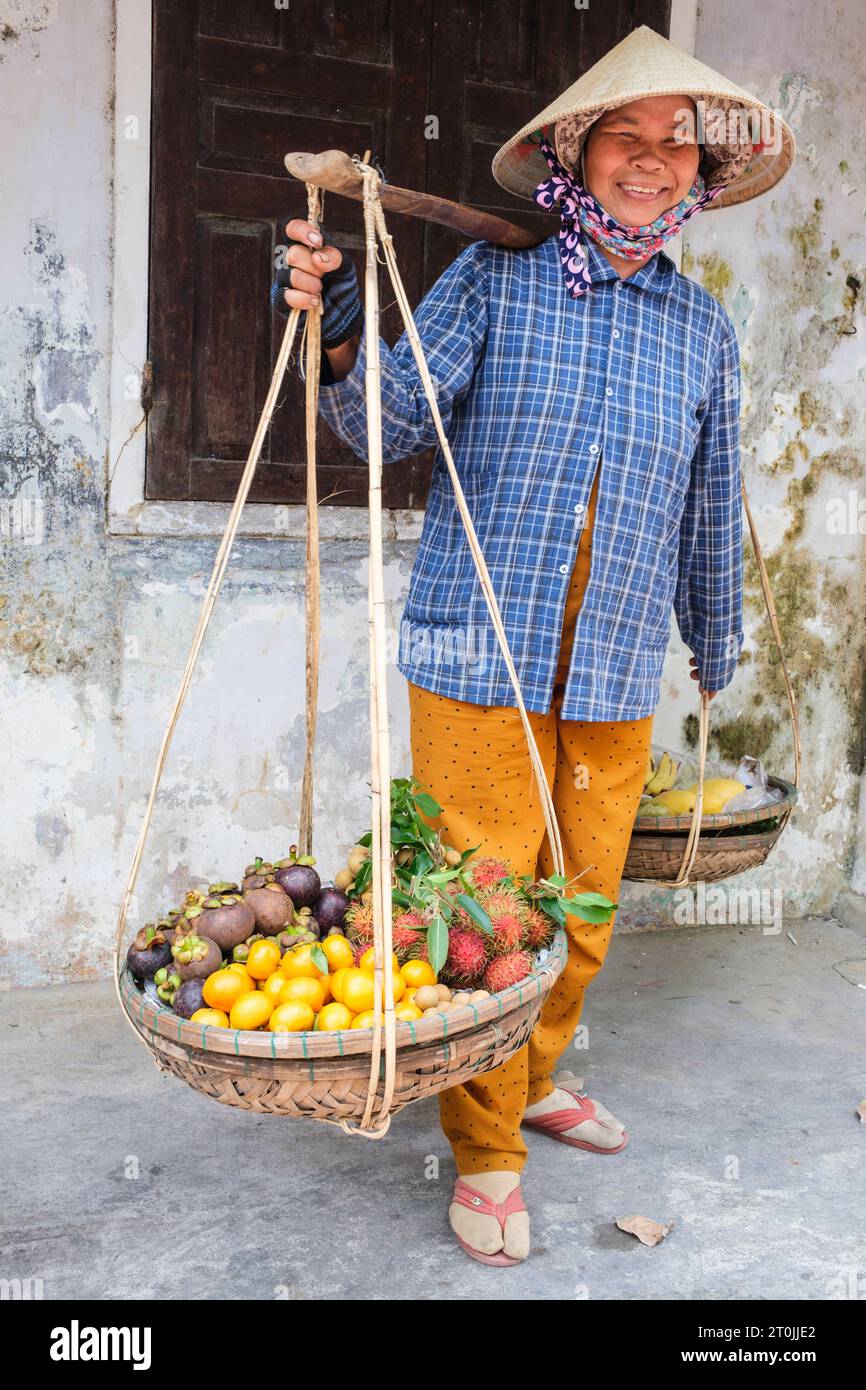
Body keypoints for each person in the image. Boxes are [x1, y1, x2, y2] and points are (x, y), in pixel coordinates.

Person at [271, 26, 794, 1266]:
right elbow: (382, 424)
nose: (654, 163)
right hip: (475, 651)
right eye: (628, 136)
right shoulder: (491, 281)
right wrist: (340, 331)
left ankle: (530, 1070)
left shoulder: (697, 331)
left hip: (611, 665)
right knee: (488, 914)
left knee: (587, 910)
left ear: (701, 176)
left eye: (679, 144)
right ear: (573, 149)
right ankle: (487, 1145)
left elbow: (708, 501)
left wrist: (712, 644)